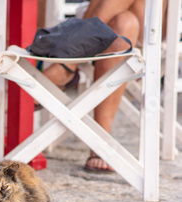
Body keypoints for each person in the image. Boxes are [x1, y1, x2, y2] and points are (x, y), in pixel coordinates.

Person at [43, 0, 168, 172]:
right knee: (124, 23)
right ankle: (100, 140)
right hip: (107, 16)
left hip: (151, 20)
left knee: (125, 22)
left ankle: (68, 63)